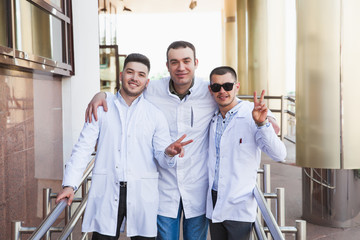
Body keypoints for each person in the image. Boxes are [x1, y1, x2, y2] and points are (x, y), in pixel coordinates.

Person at [85, 41, 280, 240]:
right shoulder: (153, 89)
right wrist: (101, 95)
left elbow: (238, 102)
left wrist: (270, 118)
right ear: (167, 65)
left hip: (197, 188)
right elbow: (128, 90)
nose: (181, 67)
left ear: (195, 63)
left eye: (186, 61)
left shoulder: (210, 89)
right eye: (174, 62)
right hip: (164, 188)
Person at [56, 53, 193, 240]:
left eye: (141, 74)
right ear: (121, 75)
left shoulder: (155, 115)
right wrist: (69, 184)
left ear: (147, 81)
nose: (135, 78)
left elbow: (161, 157)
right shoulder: (102, 107)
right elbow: (83, 148)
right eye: (130, 72)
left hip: (141, 192)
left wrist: (169, 153)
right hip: (108, 189)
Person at [206, 66, 287, 240]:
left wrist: (262, 124)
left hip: (239, 204)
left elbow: (280, 155)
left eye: (227, 86)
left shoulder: (252, 113)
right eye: (216, 87)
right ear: (210, 89)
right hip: (214, 199)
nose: (222, 91)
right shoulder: (212, 116)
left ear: (237, 86)